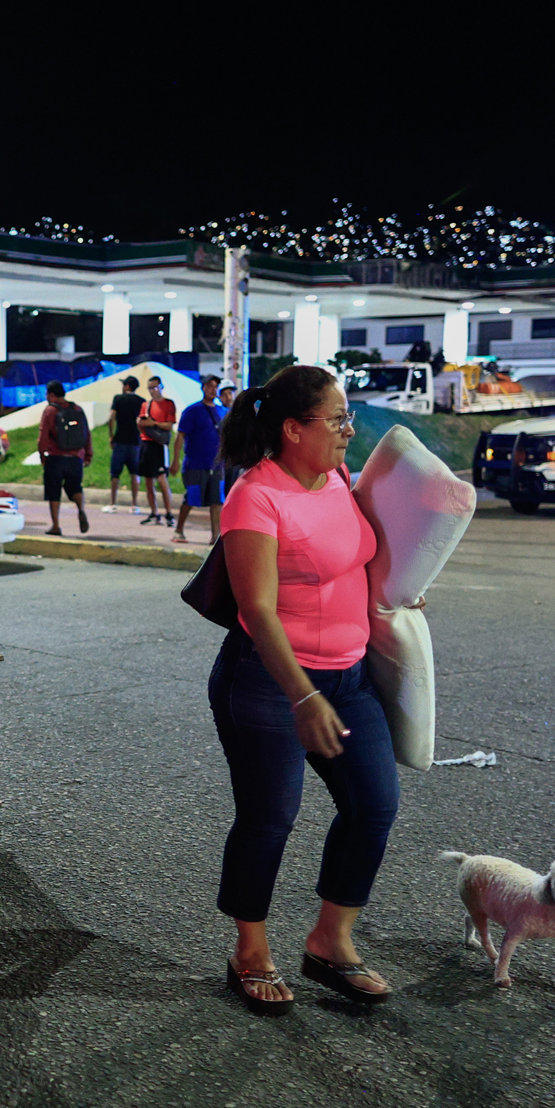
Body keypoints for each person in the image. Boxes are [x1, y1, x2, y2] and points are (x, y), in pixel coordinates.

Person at [213, 365, 400, 1013]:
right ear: (294, 429)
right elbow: (258, 608)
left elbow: (353, 561)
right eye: (338, 420)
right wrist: (302, 695)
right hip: (269, 681)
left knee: (374, 803)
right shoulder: (255, 496)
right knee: (270, 818)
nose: (350, 430)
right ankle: (250, 952)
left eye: (349, 418)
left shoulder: (340, 480)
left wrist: (403, 593)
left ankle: (330, 942)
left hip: (348, 678)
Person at [173, 374, 228, 544]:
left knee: (217, 501)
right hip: (196, 463)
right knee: (191, 497)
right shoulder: (192, 411)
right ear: (203, 387)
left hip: (217, 464)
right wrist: (175, 460)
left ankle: (215, 536)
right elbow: (180, 436)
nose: (213, 389)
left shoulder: (222, 412)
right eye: (210, 385)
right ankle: (179, 530)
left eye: (216, 386)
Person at [37, 381, 92, 535]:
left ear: (52, 395)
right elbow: (86, 433)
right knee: (75, 488)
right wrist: (88, 454)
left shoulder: (50, 411)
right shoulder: (77, 409)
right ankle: (81, 509)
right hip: (75, 458)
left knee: (54, 492)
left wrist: (42, 455)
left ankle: (56, 526)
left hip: (55, 458)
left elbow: (43, 436)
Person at [136, 375, 178, 526]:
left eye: (155, 388)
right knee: (148, 481)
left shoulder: (168, 404)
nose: (153, 391)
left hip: (159, 445)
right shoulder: (145, 405)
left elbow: (169, 425)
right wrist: (141, 423)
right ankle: (154, 512)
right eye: (150, 388)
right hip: (146, 444)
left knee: (161, 479)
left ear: (161, 387)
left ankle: (169, 513)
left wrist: (153, 423)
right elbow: (141, 422)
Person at [104, 375, 146, 513]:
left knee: (115, 474)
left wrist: (111, 436)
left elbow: (111, 418)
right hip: (136, 442)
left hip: (120, 441)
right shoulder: (142, 402)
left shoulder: (118, 399)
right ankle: (134, 505)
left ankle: (112, 503)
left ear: (127, 386)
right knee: (135, 473)